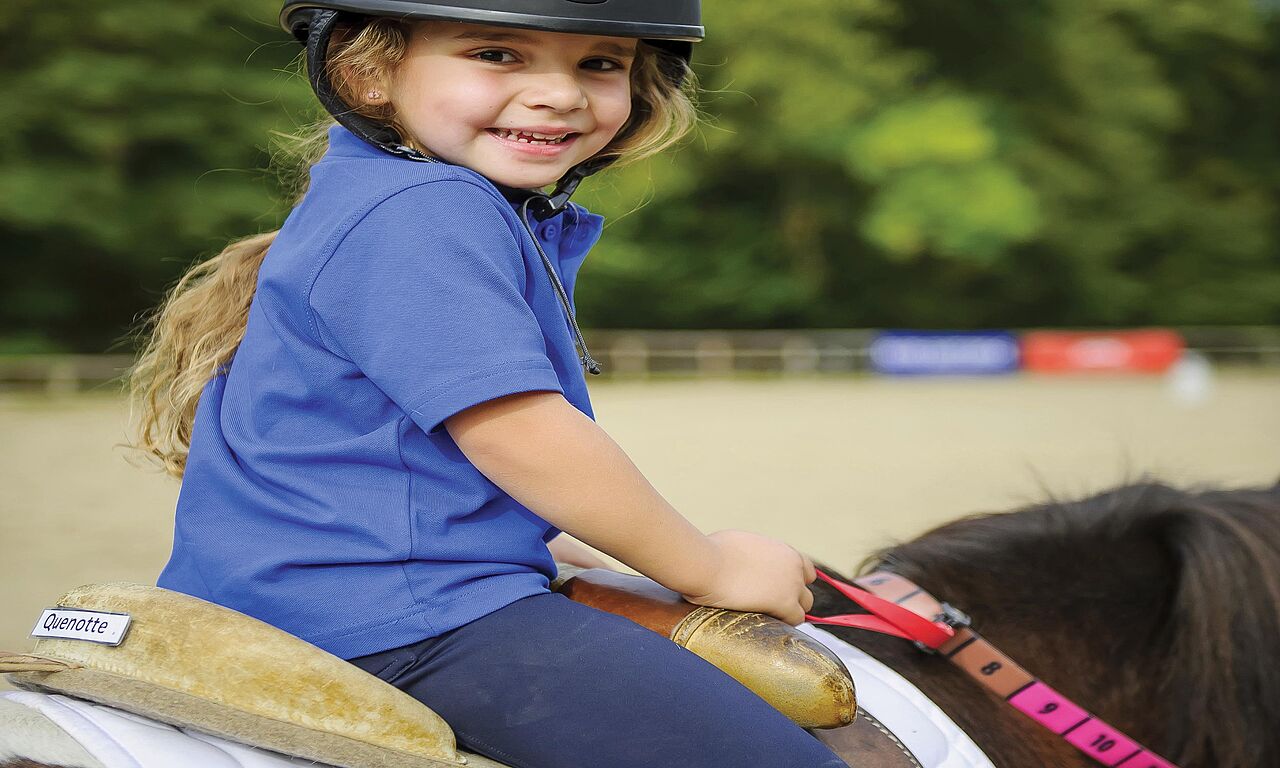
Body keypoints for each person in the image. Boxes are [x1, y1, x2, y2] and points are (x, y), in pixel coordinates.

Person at [129, 1, 846, 766]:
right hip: (402, 614)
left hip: (318, 593)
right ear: (366, 72)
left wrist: (571, 547)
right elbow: (519, 435)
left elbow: (399, 465)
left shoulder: (380, 192)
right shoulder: (428, 206)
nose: (561, 94)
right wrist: (712, 567)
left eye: (600, 63)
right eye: (497, 54)